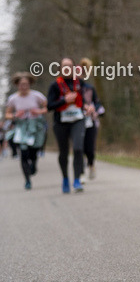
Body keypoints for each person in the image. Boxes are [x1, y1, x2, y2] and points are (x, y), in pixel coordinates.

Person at [47, 58, 94, 193]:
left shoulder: (79, 83)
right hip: (60, 123)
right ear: (60, 69)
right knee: (64, 152)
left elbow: (83, 100)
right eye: (64, 66)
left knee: (78, 148)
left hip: (78, 120)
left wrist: (87, 107)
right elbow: (49, 105)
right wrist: (64, 100)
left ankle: (77, 180)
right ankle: (66, 178)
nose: (67, 68)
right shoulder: (54, 85)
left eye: (69, 66)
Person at [5, 73, 48, 190]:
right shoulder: (13, 99)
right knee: (23, 153)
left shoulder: (37, 96)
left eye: (26, 84)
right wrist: (15, 115)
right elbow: (7, 114)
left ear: (30, 84)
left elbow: (47, 108)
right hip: (21, 126)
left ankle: (34, 164)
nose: (24, 86)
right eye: (21, 84)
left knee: (34, 150)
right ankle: (27, 180)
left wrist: (38, 112)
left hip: (35, 125)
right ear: (17, 85)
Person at [79, 58, 105, 181]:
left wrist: (96, 110)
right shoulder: (68, 89)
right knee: (79, 147)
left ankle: (91, 164)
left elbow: (97, 103)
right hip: (76, 121)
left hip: (90, 121)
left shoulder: (90, 88)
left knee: (89, 147)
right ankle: (80, 173)